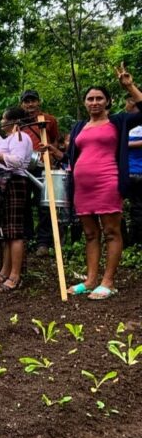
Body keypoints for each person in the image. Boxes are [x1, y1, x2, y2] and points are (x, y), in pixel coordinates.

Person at [66, 65, 142, 299]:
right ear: (85, 102)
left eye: (99, 98)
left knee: (111, 231)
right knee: (90, 234)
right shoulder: (79, 126)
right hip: (82, 187)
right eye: (90, 99)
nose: (94, 102)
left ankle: (107, 281)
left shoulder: (118, 121)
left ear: (108, 102)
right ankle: (90, 281)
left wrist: (129, 85)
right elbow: (73, 155)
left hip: (107, 181)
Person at [0, 105, 33, 292]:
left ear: (14, 122)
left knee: (15, 231)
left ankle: (15, 276)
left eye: (4, 118)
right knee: (6, 231)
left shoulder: (21, 137)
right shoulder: (9, 138)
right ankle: (4, 272)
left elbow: (17, 161)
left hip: (14, 182)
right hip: (3, 183)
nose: (1, 121)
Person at [20, 90, 61, 255]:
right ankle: (27, 238)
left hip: (42, 165)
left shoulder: (49, 119)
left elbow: (55, 139)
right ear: (22, 104)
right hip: (22, 166)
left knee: (43, 203)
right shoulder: (19, 121)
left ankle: (43, 241)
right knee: (23, 204)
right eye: (26, 101)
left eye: (33, 101)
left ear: (39, 102)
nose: (30, 105)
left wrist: (52, 156)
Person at [127, 95, 142, 246]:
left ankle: (135, 241)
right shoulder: (127, 125)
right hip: (128, 170)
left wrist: (126, 145)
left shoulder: (130, 126)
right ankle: (131, 240)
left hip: (137, 170)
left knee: (137, 207)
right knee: (135, 206)